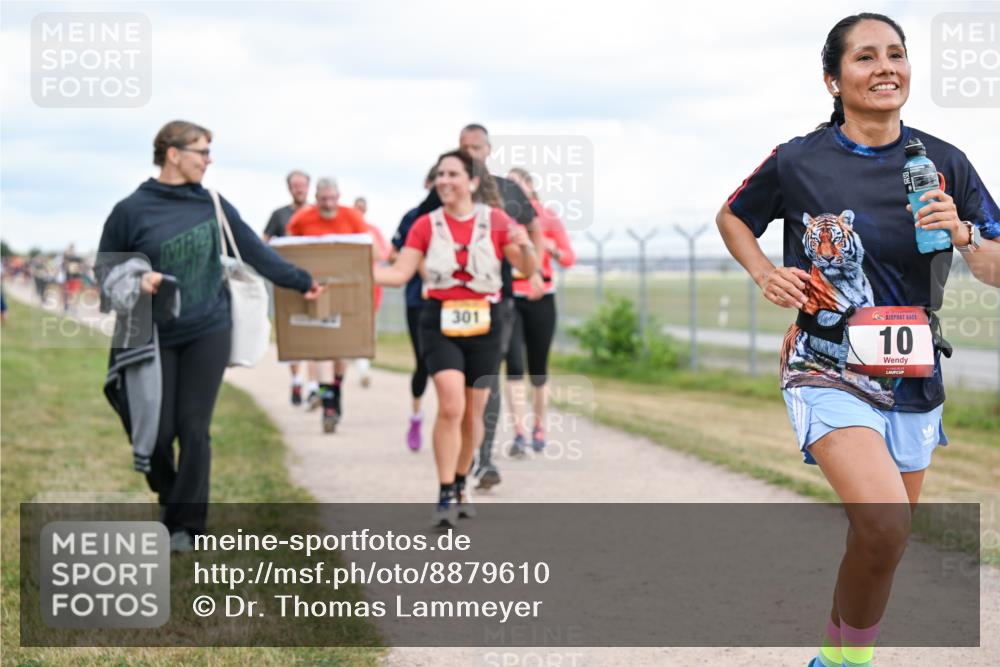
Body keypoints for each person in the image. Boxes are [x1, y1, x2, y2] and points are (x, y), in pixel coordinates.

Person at [715, 14, 999, 667]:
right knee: (884, 520)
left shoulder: (944, 162)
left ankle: (834, 657)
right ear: (833, 80)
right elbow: (733, 216)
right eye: (865, 57)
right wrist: (764, 272)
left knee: (882, 542)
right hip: (825, 361)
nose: (885, 68)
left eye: (895, 54)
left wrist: (963, 233)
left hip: (913, 370)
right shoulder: (799, 159)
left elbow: (995, 266)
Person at [97, 120, 321, 551]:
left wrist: (302, 281)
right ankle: (171, 498)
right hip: (152, 335)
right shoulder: (131, 210)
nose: (208, 160)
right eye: (201, 151)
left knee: (194, 427)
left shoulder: (212, 205)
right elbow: (105, 270)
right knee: (156, 433)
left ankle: (187, 527)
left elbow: (255, 252)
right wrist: (138, 281)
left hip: (208, 329)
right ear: (173, 154)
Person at [375, 150, 536, 526]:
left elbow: (526, 269)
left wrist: (525, 243)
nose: (444, 181)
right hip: (439, 321)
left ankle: (463, 480)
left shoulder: (496, 221)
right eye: (439, 175)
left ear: (472, 182)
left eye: (452, 174)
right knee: (450, 406)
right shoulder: (425, 225)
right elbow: (398, 274)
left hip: (485, 324)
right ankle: (445, 490)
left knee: (472, 413)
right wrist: (353, 273)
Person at [413, 124, 543, 489]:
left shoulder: (507, 190)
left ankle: (483, 460)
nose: (470, 152)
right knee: (455, 391)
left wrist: (534, 271)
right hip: (447, 304)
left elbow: (534, 227)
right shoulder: (445, 188)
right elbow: (415, 234)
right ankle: (460, 463)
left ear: (488, 150)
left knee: (487, 381)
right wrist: (428, 276)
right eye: (463, 147)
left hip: (497, 299)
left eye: (475, 147)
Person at [287, 177, 371, 432]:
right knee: (323, 349)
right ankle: (328, 403)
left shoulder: (352, 217)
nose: (328, 204)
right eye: (324, 199)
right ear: (316, 198)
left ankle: (336, 388)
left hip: (345, 290)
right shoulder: (303, 219)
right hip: (316, 291)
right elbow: (290, 249)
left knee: (340, 352)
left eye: (333, 198)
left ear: (339, 196)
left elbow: (368, 249)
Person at [503, 167, 576, 455]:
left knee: (538, 368)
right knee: (513, 366)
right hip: (511, 297)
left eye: (517, 184)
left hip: (542, 297)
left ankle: (539, 426)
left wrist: (551, 248)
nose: (512, 189)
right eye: (507, 184)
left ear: (530, 186)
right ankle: (519, 433)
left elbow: (569, 258)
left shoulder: (547, 217)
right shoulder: (500, 218)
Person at [391, 165, 438, 452]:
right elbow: (395, 252)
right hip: (418, 301)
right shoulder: (413, 217)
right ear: (427, 183)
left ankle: (451, 422)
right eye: (437, 180)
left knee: (450, 367)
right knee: (423, 362)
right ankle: (416, 416)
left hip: (451, 301)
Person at [264, 169, 311, 405]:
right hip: (289, 280)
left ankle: (315, 385)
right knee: (293, 332)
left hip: (313, 278)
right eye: (295, 185)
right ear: (289, 188)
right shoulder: (279, 215)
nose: (299, 189)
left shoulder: (315, 213)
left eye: (302, 185)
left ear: (308, 187)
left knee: (315, 331)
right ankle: (296, 380)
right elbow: (263, 242)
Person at [353, 196, 388, 389]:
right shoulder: (347, 228)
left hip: (370, 286)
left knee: (367, 330)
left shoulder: (373, 231)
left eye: (362, 208)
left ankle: (363, 369)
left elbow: (382, 254)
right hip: (350, 284)